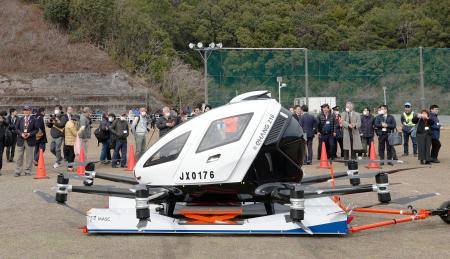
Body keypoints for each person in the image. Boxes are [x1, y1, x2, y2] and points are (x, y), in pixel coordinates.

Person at [15, 105, 38, 177]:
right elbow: (16, 128)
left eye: (28, 110)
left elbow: (36, 129)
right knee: (19, 156)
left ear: (30, 111)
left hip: (30, 139)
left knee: (29, 157)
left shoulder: (34, 119)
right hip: (21, 140)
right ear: (23, 111)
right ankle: (18, 171)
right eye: (25, 110)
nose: (26, 111)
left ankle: (28, 170)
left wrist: (29, 134)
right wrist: (21, 133)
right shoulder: (20, 119)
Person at [0, 111, 8, 175]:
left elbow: (8, 124)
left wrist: (2, 120)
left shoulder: (3, 119)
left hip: (1, 141)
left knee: (0, 156)